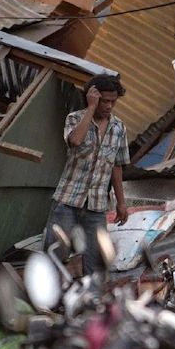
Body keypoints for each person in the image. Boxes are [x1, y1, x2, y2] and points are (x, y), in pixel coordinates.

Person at [44, 74, 130, 276]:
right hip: (68, 201)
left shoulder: (119, 128)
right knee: (56, 252)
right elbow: (74, 141)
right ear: (93, 97)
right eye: (104, 101)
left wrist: (121, 202)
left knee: (96, 259)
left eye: (112, 102)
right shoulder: (75, 119)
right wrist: (91, 109)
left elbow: (116, 166)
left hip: (96, 206)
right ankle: (46, 300)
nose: (109, 106)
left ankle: (90, 302)